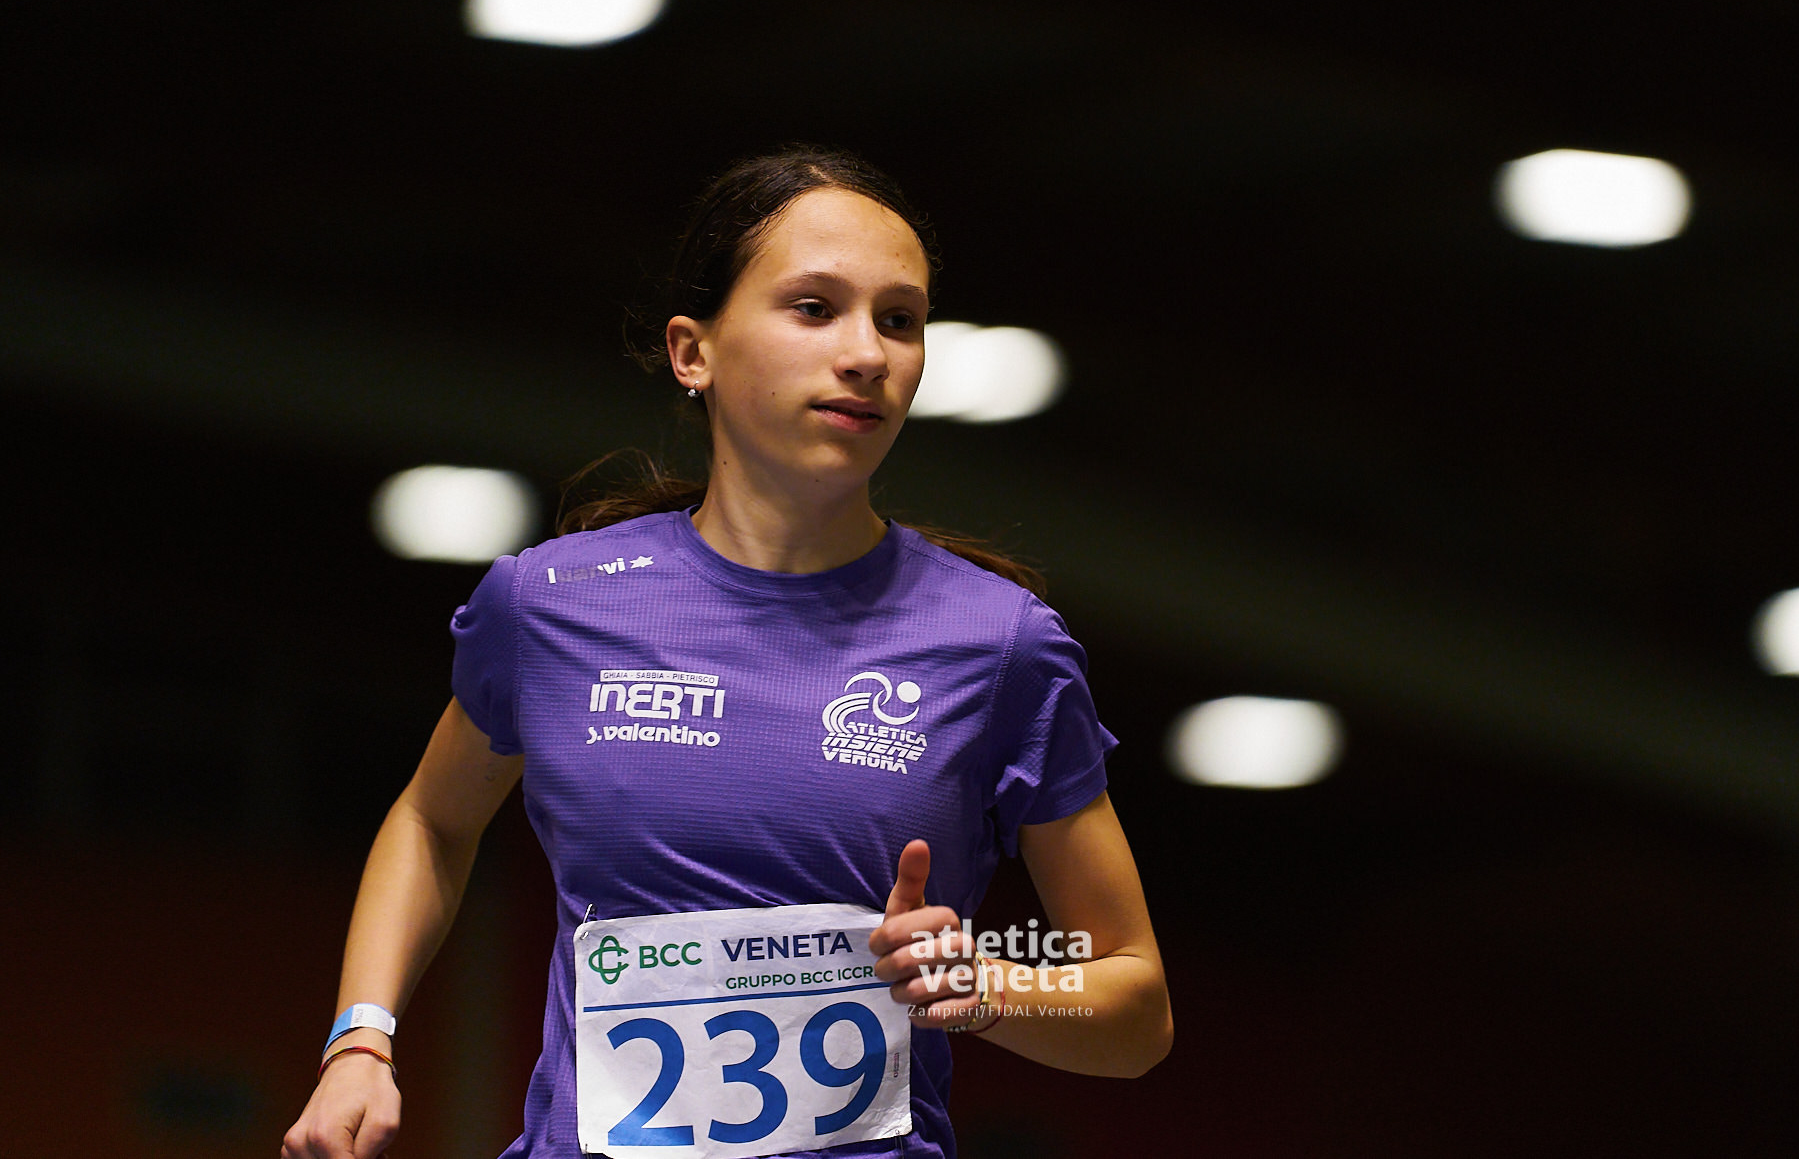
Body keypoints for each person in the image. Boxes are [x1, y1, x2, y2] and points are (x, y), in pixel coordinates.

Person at [281, 146, 1172, 1159]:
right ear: (691, 352)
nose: (866, 353)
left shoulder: (1001, 644)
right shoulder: (549, 604)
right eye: (814, 308)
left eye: (898, 320)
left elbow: (1135, 1007)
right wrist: (361, 1037)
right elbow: (432, 821)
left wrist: (989, 987)